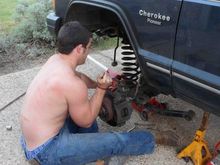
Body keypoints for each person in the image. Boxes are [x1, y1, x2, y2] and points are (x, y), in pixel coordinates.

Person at [20, 21, 176, 165]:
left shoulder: (55, 60)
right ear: (79, 49)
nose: (89, 51)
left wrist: (97, 85)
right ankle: (153, 139)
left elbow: (79, 77)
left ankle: (90, 149)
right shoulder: (72, 84)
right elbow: (86, 121)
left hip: (33, 138)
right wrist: (101, 90)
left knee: (81, 107)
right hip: (47, 151)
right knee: (113, 141)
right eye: (89, 46)